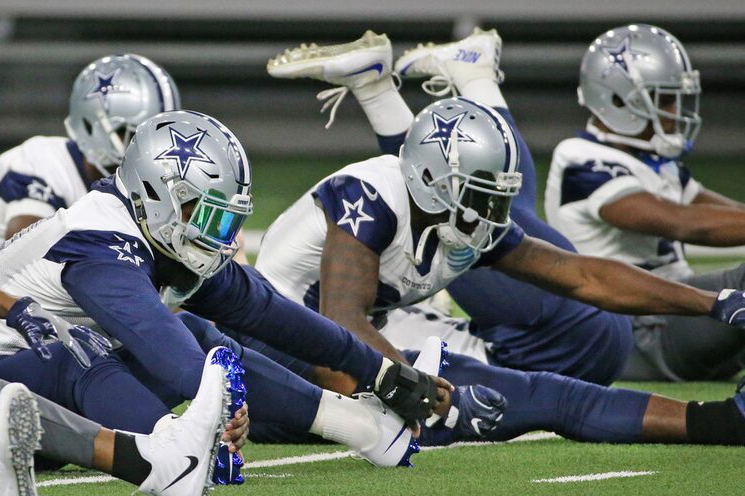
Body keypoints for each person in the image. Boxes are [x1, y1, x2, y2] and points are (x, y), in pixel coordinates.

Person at [252, 36, 745, 447]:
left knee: (548, 395)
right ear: (431, 179)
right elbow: (339, 323)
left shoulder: (458, 213)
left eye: (496, 196)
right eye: (480, 195)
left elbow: (584, 276)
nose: (491, 212)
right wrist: (427, 394)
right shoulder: (368, 195)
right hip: (275, 349)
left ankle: (723, 422)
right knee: (444, 420)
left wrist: (713, 302)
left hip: (351, 347)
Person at [0, 110, 454, 468]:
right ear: (157, 195)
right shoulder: (98, 242)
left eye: (227, 219)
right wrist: (219, 399)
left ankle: (363, 427)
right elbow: (173, 359)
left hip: (49, 393)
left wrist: (383, 372)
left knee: (197, 336)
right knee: (102, 351)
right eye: (205, 213)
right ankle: (172, 458)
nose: (218, 234)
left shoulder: (151, 230)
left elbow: (270, 313)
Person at [266, 29, 633, 386]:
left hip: (516, 343)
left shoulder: (292, 293)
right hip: (517, 349)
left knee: (465, 194)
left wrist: (415, 391)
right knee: (472, 194)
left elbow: (344, 323)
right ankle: (443, 81)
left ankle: (420, 83)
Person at [0, 258, 248, 496]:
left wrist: (16, 308)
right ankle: (165, 453)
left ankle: (164, 462)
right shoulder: (92, 229)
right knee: (74, 359)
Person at [545, 23, 745, 381]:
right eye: (664, 98)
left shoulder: (651, 159)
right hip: (636, 328)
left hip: (677, 313)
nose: (674, 110)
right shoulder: (580, 159)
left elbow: (722, 213)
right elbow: (684, 223)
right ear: (620, 100)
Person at [0, 54, 180, 277]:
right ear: (92, 125)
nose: (153, 153)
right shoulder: (40, 162)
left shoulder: (122, 185)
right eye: (134, 137)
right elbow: (29, 265)